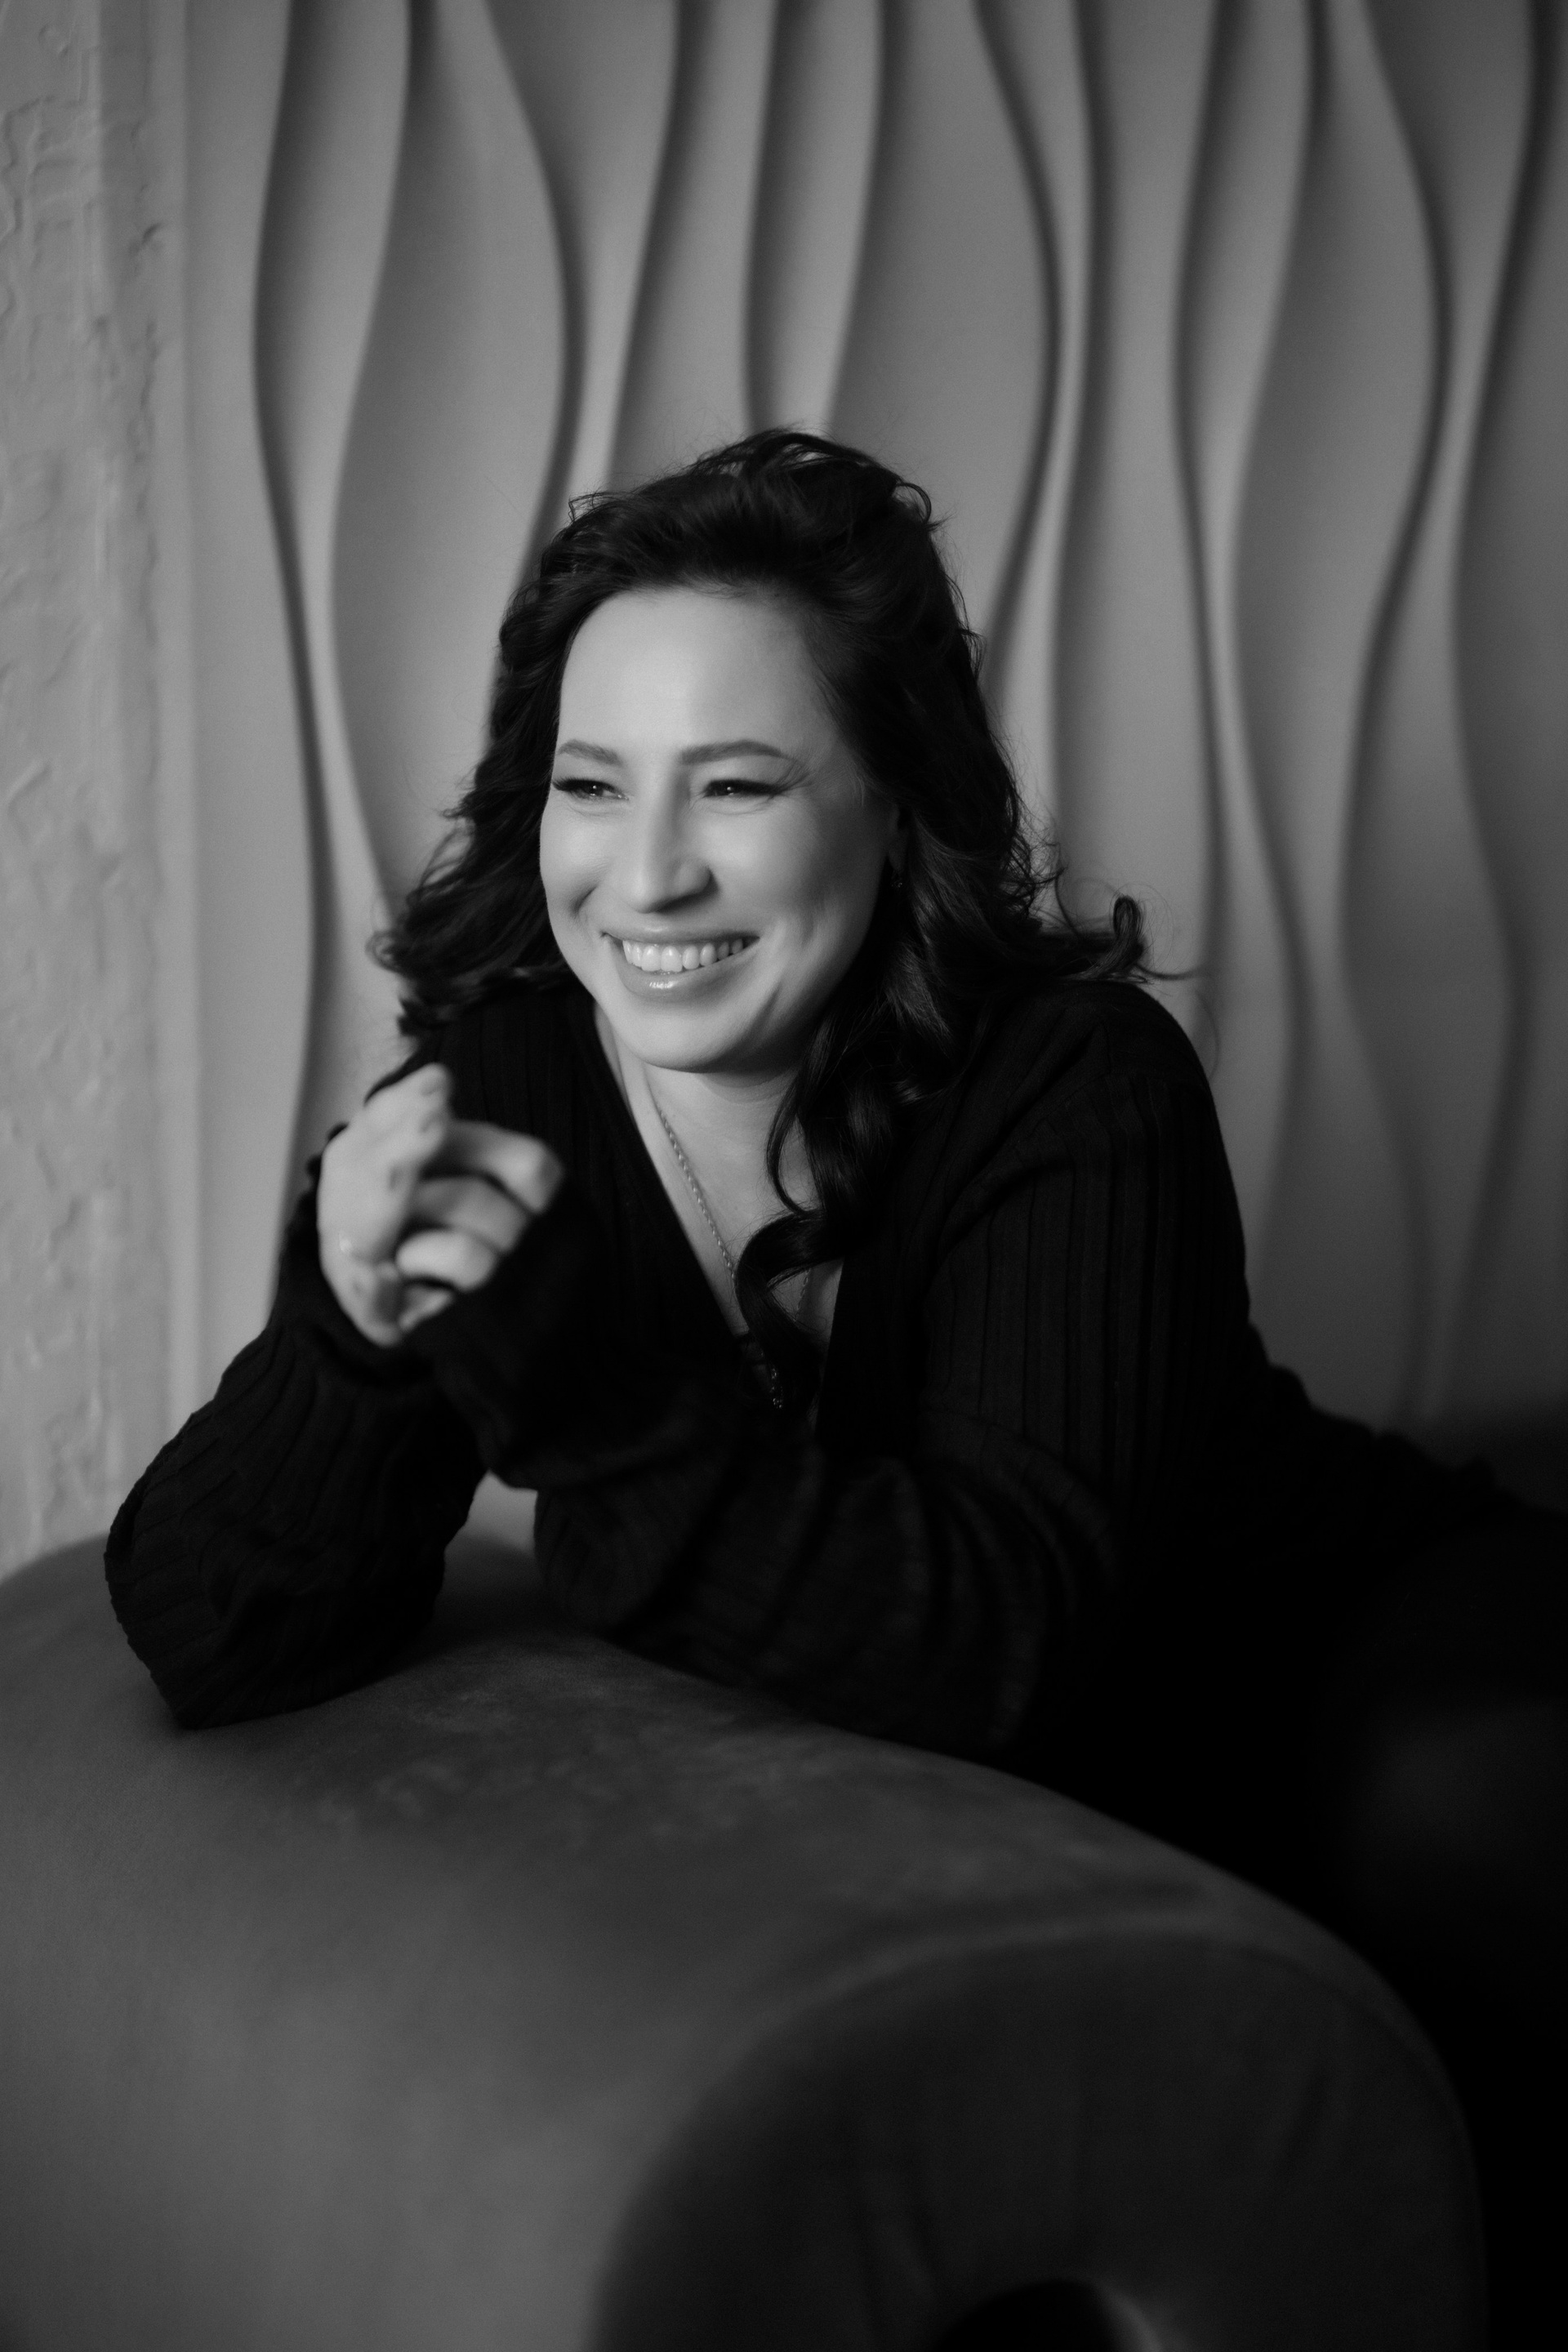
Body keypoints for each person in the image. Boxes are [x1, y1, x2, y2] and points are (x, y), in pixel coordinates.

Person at [106, 430, 1564, 2341]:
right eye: (590, 786)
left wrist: (583, 1391)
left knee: (1459, 1818)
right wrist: (351, 1326)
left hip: (1345, 1658)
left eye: (737, 784)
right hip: (1051, 1863)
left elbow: (998, 1648)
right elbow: (208, 1630)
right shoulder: (506, 1099)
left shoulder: (1077, 1082)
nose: (647, 872)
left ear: (895, 805)